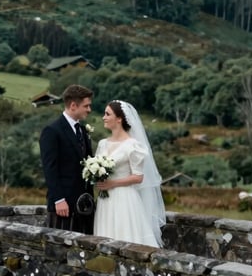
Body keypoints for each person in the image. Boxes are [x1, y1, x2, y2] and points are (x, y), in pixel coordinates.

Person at [93, 100, 166, 247]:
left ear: (119, 119)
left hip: (124, 198)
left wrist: (112, 183)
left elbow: (138, 177)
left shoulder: (133, 145)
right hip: (105, 200)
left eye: (107, 114)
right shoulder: (102, 144)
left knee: (126, 236)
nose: (103, 117)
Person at [39, 84, 95, 233]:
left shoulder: (82, 130)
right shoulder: (52, 131)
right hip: (63, 206)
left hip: (84, 205)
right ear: (73, 105)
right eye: (86, 106)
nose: (89, 110)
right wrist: (58, 199)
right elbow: (50, 168)